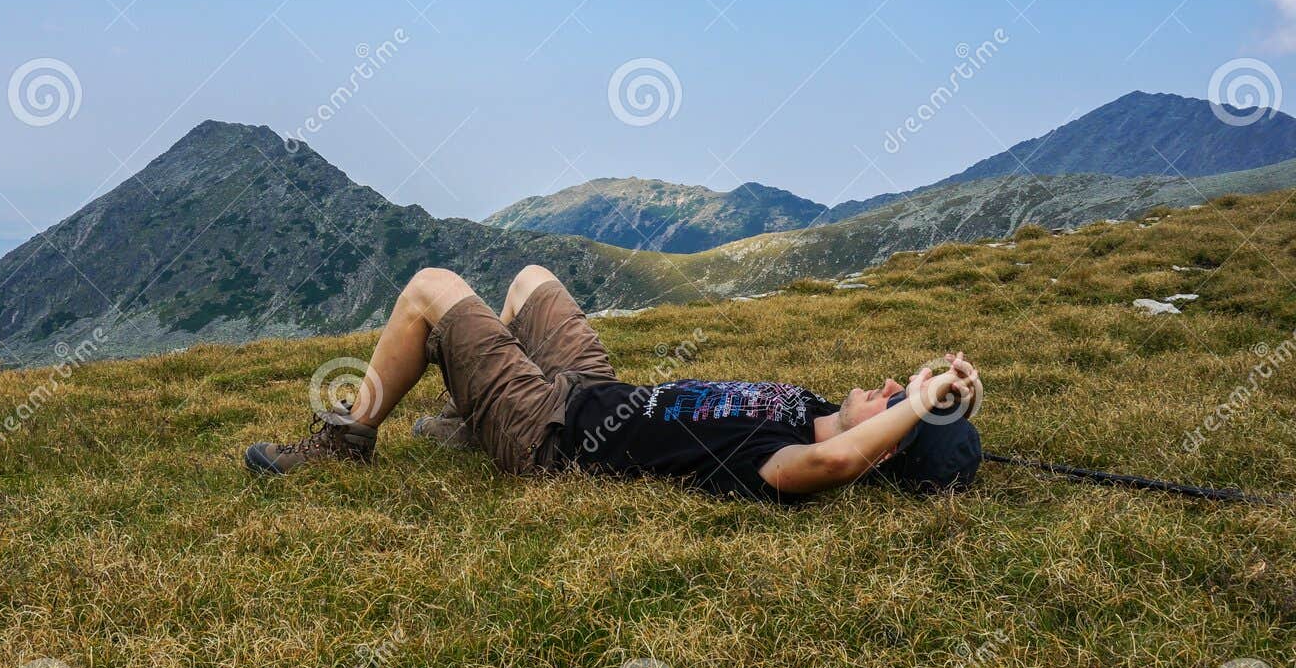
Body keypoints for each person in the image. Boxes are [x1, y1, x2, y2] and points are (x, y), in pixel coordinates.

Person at [246, 265, 984, 502]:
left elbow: (838, 461)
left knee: (429, 289)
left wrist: (914, 411)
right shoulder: (816, 410)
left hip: (551, 432)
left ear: (882, 445)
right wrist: (950, 399)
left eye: (894, 396)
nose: (889, 381)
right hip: (594, 389)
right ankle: (473, 417)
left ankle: (347, 442)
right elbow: (885, 439)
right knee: (532, 279)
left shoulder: (778, 460)